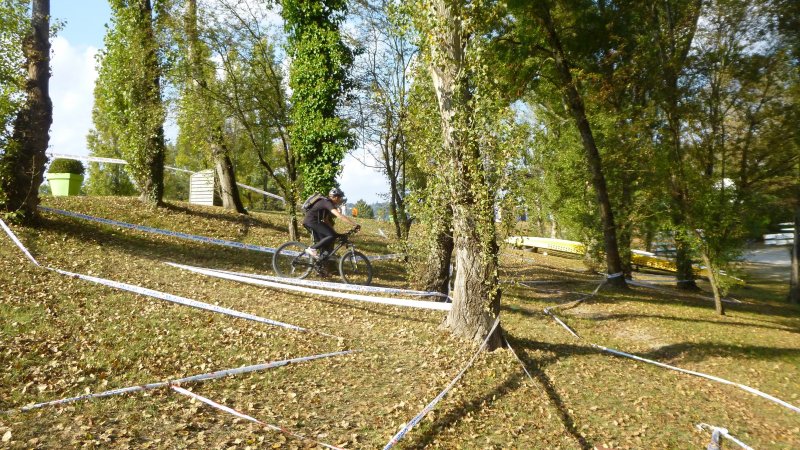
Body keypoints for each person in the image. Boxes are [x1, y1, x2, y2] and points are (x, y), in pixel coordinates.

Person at [302, 187, 360, 260]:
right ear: (335, 197)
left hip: (314, 222)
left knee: (329, 239)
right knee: (331, 236)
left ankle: (320, 264)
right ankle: (312, 249)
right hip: (312, 221)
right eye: (340, 197)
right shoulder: (327, 202)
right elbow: (339, 216)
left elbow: (325, 220)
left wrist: (334, 232)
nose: (340, 199)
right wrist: (354, 224)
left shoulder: (327, 203)